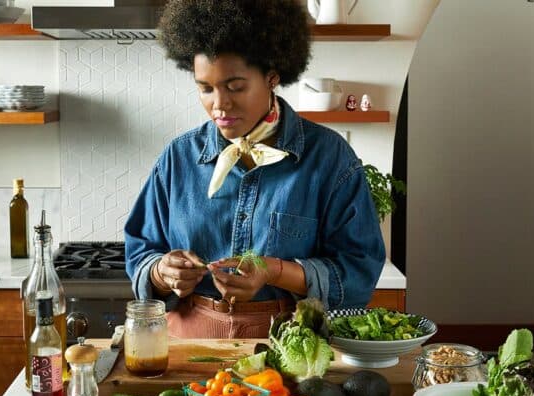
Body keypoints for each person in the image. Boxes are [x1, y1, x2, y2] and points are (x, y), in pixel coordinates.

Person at [124, 0, 385, 339]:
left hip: (290, 344)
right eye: (205, 88)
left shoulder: (330, 158)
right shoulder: (177, 158)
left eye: (235, 87)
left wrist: (273, 270)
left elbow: (358, 272)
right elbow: (141, 252)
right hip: (186, 342)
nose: (219, 104)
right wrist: (162, 272)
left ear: (272, 76)